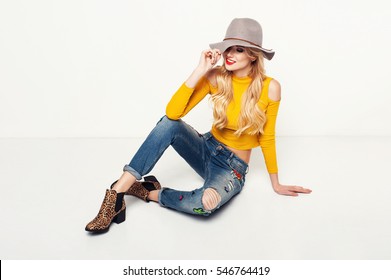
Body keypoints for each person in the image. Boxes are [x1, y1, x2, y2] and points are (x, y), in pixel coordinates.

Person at [85, 18, 312, 233]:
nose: (230, 54)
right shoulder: (216, 77)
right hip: (205, 147)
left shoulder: (270, 87)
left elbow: (268, 137)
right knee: (168, 125)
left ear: (253, 55)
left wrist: (277, 184)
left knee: (204, 205)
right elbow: (172, 114)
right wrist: (200, 70)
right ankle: (117, 193)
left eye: (239, 49)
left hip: (231, 168)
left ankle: (148, 192)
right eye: (228, 48)